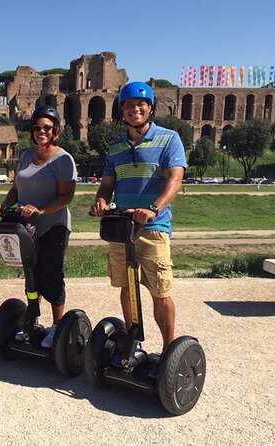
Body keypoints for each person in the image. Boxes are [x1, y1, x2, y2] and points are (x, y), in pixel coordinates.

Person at [89, 81, 187, 355]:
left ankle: (170, 351)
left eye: (140, 105)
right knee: (126, 285)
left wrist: (153, 208)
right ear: (122, 111)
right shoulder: (116, 148)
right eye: (129, 105)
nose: (135, 109)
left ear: (150, 108)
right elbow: (107, 184)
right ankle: (135, 342)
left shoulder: (169, 139)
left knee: (159, 290)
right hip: (122, 227)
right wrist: (101, 200)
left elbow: (175, 179)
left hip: (154, 226)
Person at [0, 105, 77, 348]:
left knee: (52, 275)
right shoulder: (27, 156)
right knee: (31, 275)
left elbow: (65, 197)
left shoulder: (63, 159)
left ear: (55, 131)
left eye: (47, 128)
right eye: (37, 128)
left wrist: (41, 210)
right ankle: (33, 320)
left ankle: (58, 327)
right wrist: (4, 205)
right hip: (25, 227)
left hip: (53, 226)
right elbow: (16, 189)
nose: (41, 132)